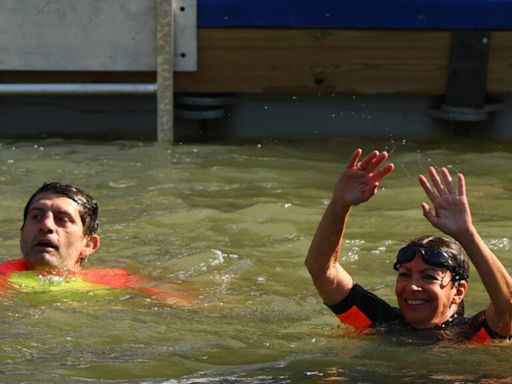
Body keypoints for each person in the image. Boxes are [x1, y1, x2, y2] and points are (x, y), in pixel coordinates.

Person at [305, 148, 512, 343]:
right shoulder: (380, 324)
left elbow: (508, 306)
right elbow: (322, 270)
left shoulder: (474, 335)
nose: (412, 286)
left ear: (458, 291)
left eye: (429, 277)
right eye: (404, 274)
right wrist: (339, 204)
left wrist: (467, 235)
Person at [0, 182, 192, 306]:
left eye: (63, 219)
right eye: (36, 217)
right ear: (22, 234)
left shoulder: (119, 281)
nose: (46, 225)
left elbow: (193, 307)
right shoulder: (3, 278)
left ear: (89, 245)